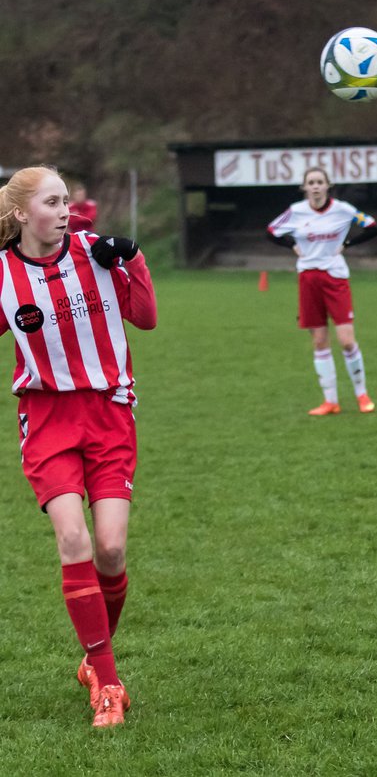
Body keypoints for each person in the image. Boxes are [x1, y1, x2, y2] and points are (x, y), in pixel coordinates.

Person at [0, 166, 156, 727]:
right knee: (74, 538)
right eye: (52, 201)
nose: (66, 210)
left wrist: (133, 260)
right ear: (22, 213)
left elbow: (146, 319)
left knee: (111, 551)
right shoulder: (3, 273)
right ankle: (108, 684)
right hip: (46, 420)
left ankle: (94, 659)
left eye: (67, 200)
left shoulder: (96, 252)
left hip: (109, 413)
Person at [267, 167, 377, 416]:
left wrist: (347, 244)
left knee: (347, 341)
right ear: (304, 187)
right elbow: (272, 231)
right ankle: (330, 401)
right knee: (319, 341)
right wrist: (292, 245)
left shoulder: (343, 209)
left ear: (329, 185)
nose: (316, 186)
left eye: (320, 182)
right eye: (311, 182)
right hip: (308, 278)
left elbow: (372, 227)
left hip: (335, 278)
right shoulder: (296, 212)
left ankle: (362, 395)